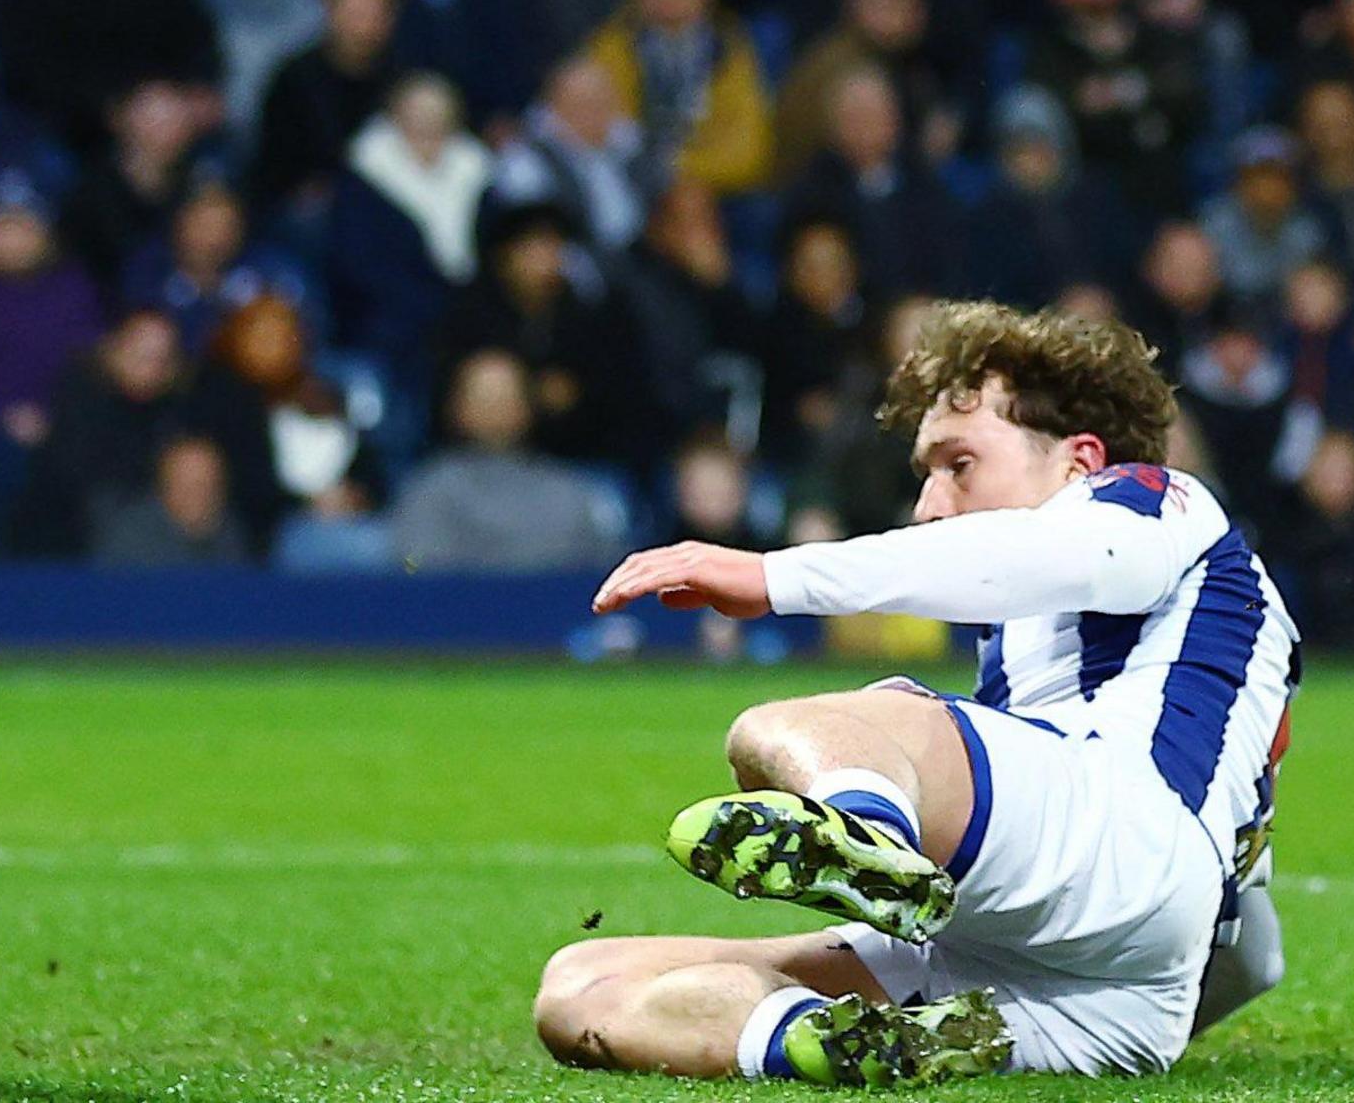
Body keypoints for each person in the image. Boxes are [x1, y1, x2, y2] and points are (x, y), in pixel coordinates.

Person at [540, 302, 1294, 1083]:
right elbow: (1257, 957)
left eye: (957, 464)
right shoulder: (1052, 647)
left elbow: (1078, 556)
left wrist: (774, 576)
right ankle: (823, 1037)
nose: (930, 504)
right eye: (925, 475)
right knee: (582, 986)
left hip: (1121, 858)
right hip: (1091, 988)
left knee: (796, 726)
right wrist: (1155, 1003)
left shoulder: (1157, 500)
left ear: (1079, 461)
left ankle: (869, 840)